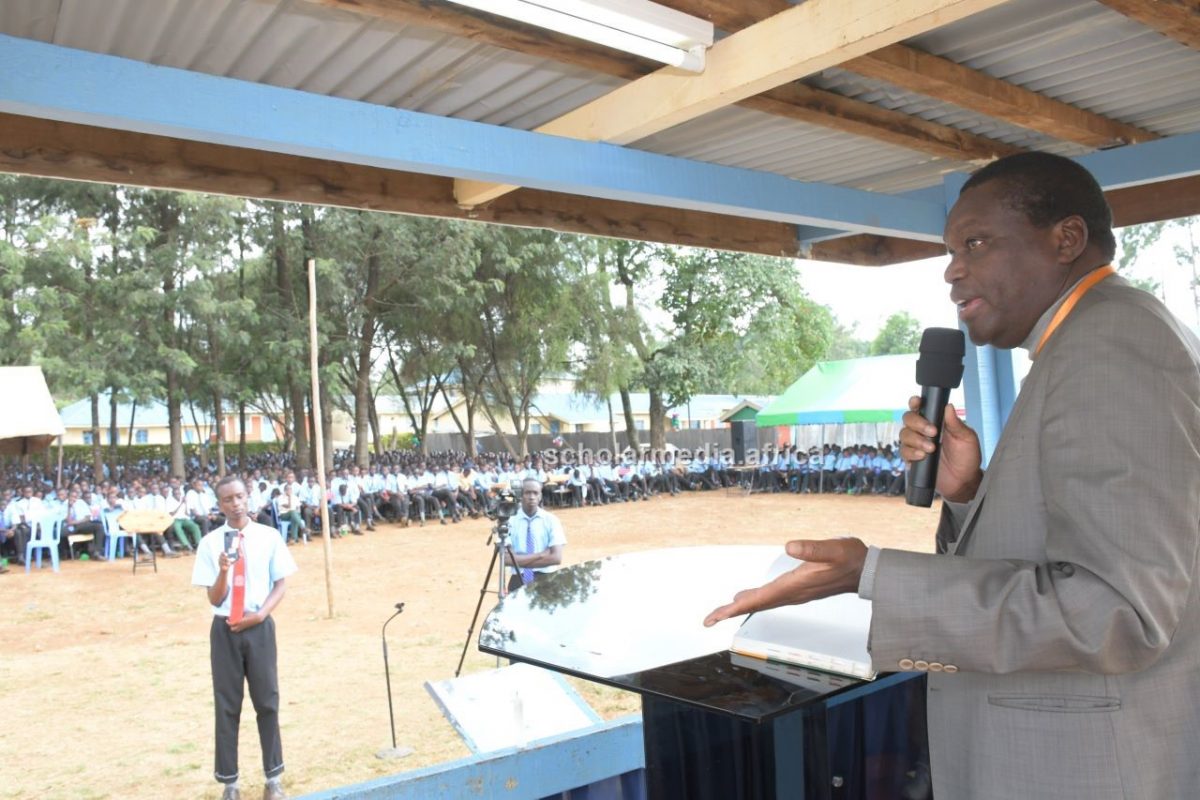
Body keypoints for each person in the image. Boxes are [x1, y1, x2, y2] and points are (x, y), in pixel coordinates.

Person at [704, 152, 1200, 799]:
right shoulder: (1084, 342)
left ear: (1066, 239)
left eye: (976, 243)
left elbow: (1116, 610)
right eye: (950, 250)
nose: (952, 270)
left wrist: (872, 575)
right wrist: (969, 492)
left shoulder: (1108, 346)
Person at [192, 476, 297, 800]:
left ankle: (273, 778)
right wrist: (223, 571)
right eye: (227, 499)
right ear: (219, 505)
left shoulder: (268, 536)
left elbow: (280, 583)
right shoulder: (210, 543)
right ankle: (230, 782)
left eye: (239, 496)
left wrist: (261, 614)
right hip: (225, 629)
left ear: (247, 497)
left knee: (267, 701)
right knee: (227, 704)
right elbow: (214, 598)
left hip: (259, 626)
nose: (235, 504)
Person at [503, 478, 566, 593]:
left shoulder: (552, 520)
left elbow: (556, 558)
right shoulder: (509, 521)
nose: (532, 497)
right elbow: (506, 559)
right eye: (527, 493)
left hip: (547, 576)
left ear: (540, 496)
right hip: (519, 577)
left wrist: (518, 560)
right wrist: (541, 555)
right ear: (520, 495)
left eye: (535, 493)